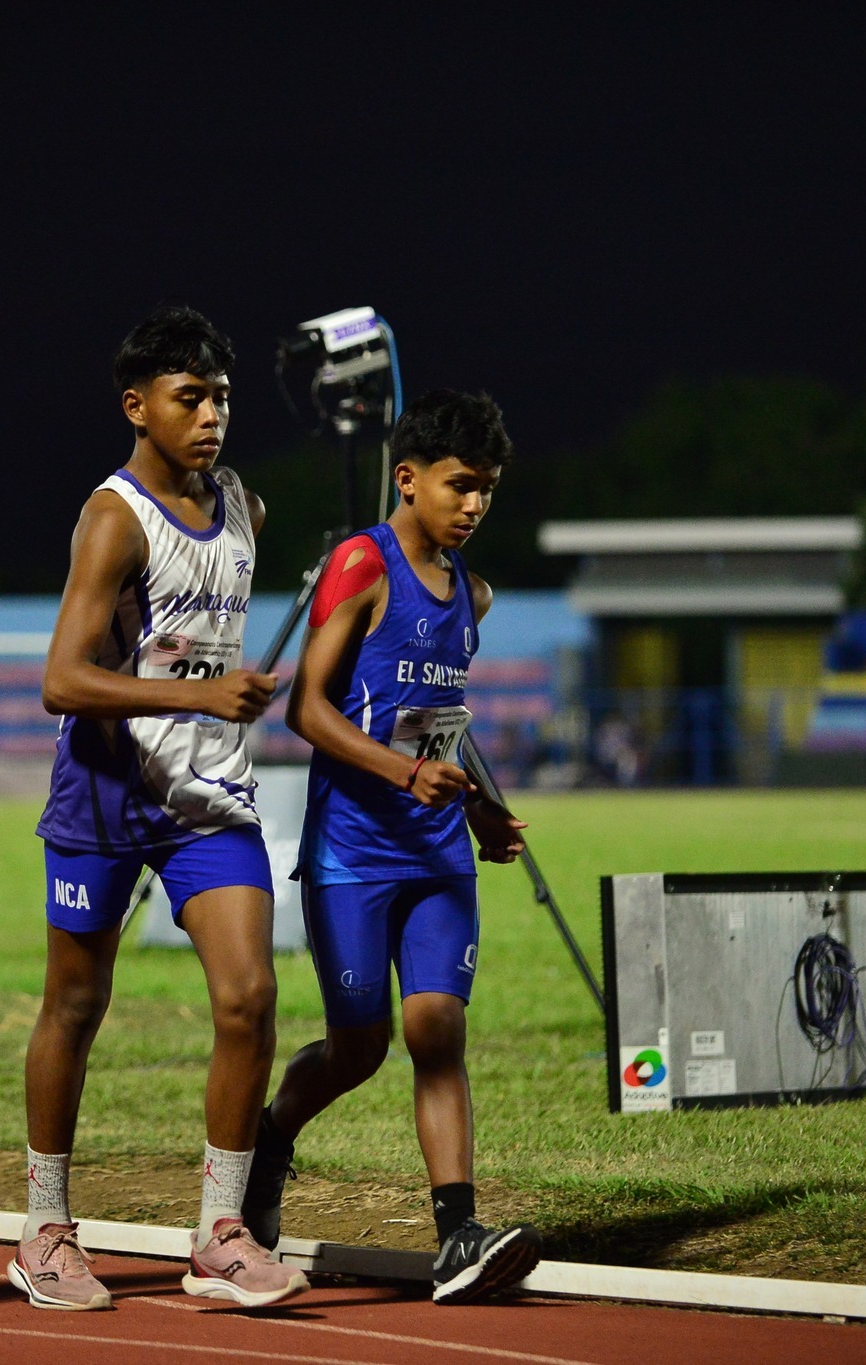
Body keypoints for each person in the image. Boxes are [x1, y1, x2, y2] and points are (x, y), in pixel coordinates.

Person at [9, 305, 308, 1312]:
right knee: (75, 1004)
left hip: (207, 796)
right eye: (190, 398)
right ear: (137, 406)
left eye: (221, 396)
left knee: (249, 997)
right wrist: (200, 694)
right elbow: (60, 680)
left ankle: (219, 1233)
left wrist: (222, 698)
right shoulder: (113, 518)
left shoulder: (244, 507)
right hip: (103, 792)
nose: (211, 414)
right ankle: (44, 1228)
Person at [242, 389, 544, 1304]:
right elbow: (306, 709)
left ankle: (459, 1235)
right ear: (407, 479)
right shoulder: (361, 565)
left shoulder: (472, 593)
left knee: (437, 1030)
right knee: (359, 1046)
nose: (475, 505)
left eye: (487, 489)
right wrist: (406, 776)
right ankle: (269, 1141)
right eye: (461, 485)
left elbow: (442, 722)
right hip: (352, 854)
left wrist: (480, 807)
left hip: (437, 854)